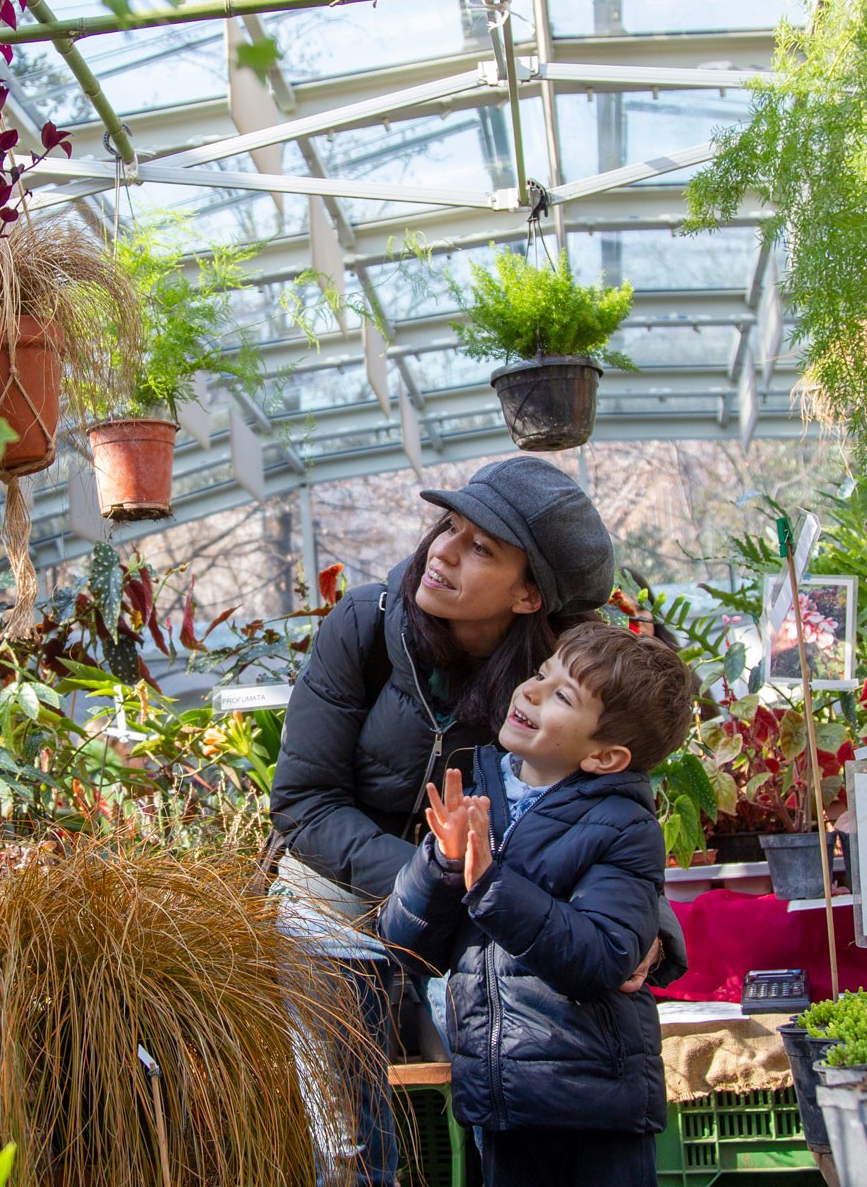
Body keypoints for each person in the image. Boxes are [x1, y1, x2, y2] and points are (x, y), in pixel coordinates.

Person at [269, 457, 686, 1185]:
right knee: (350, 1151)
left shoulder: (565, 665)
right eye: (448, 527)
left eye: (481, 546)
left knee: (504, 1106)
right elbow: (305, 802)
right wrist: (446, 873)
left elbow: (616, 794)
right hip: (339, 912)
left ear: (530, 595)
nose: (442, 551)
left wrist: (651, 924)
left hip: (479, 917)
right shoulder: (364, 625)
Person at [380, 621, 695, 1187]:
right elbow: (406, 944)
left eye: (562, 696)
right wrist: (443, 867)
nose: (529, 691)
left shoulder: (623, 825)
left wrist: (492, 886)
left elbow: (604, 955)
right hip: (501, 1099)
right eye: (540, 674)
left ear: (605, 756)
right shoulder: (476, 794)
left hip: (594, 1104)